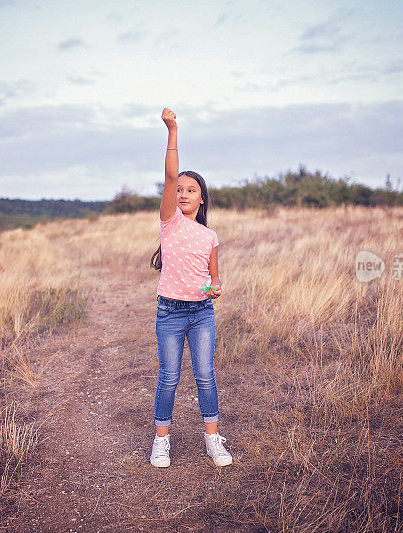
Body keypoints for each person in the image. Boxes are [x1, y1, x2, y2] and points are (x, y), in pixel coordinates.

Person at [148, 107, 232, 468]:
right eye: (179, 188)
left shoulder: (210, 235)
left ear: (201, 198)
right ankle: (161, 442)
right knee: (169, 377)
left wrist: (215, 288)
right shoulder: (169, 222)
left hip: (201, 313)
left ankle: (213, 440)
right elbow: (169, 176)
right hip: (169, 311)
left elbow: (215, 278)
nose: (182, 192)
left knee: (204, 376)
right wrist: (172, 130)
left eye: (190, 189)